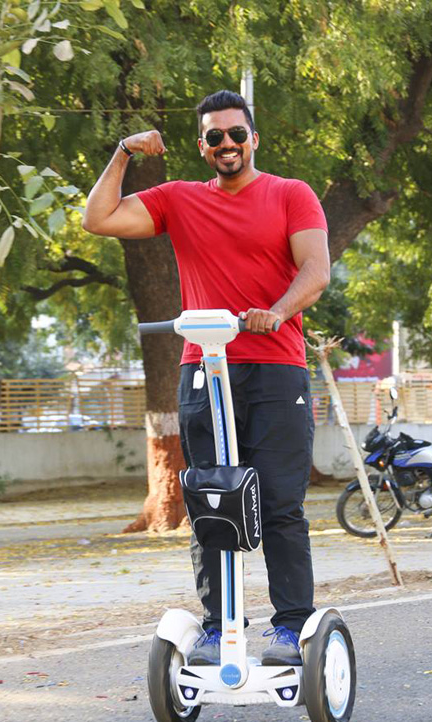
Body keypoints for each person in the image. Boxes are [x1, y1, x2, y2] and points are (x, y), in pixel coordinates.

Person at [83, 90, 330, 666]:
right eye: (215, 136)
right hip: (204, 369)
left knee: (280, 504)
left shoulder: (291, 194)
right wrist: (124, 152)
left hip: (275, 369)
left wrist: (278, 311)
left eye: (236, 134)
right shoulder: (179, 199)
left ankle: (292, 626)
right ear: (202, 146)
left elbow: (316, 271)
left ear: (253, 139)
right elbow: (98, 218)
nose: (227, 144)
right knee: (211, 502)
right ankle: (220, 628)